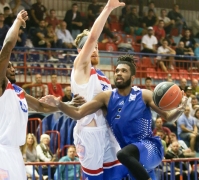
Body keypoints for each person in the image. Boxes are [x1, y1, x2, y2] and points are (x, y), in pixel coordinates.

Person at [41, 54, 187, 179]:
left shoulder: (143, 94)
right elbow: (78, 112)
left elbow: (168, 116)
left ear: (132, 76)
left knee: (123, 154)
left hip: (150, 148)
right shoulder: (106, 97)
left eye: (124, 71)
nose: (119, 73)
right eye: (117, 71)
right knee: (125, 156)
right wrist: (59, 104)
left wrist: (180, 109)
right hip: (132, 160)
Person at [0, 10, 84, 180]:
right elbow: (8, 46)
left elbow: (40, 106)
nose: (13, 68)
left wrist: (67, 105)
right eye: (9, 66)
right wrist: (17, 22)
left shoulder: (18, 91)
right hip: (0, 150)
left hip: (15, 152)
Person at [61, 0, 128, 179]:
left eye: (97, 47)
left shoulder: (103, 77)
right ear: (80, 50)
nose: (95, 50)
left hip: (106, 130)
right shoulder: (80, 66)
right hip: (90, 132)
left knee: (117, 173)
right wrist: (108, 8)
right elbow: (91, 38)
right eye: (92, 47)